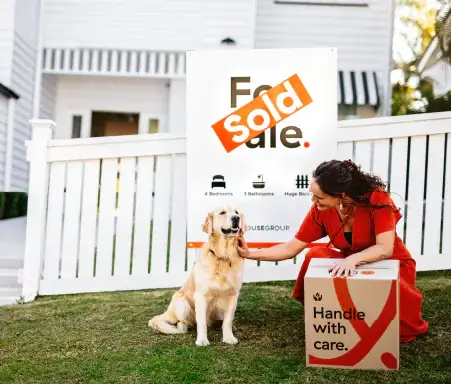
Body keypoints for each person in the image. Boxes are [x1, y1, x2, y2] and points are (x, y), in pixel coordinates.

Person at [237, 159, 428, 343]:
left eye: (319, 197)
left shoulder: (377, 199)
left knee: (398, 330)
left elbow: (385, 248)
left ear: (342, 194)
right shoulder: (320, 209)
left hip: (389, 263)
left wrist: (353, 260)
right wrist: (250, 254)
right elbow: (290, 248)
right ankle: (327, 312)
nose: (313, 200)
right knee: (315, 255)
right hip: (348, 265)